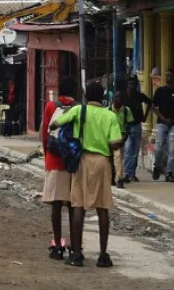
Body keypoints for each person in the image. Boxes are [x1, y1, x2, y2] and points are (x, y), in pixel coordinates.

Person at [51, 81, 122, 268]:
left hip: (81, 159)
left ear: (86, 96)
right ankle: (103, 255)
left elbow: (54, 125)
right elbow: (115, 143)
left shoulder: (78, 111)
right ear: (103, 97)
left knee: (78, 206)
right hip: (102, 162)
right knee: (103, 207)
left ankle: (76, 254)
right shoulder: (110, 115)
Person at [40, 76, 77, 260]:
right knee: (72, 206)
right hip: (71, 162)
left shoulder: (51, 106)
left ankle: (57, 246)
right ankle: (73, 246)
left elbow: (45, 134)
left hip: (54, 160)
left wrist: (46, 155)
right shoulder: (79, 108)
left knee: (56, 206)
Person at [123, 75, 150, 183]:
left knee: (134, 151)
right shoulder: (124, 97)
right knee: (128, 149)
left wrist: (145, 116)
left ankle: (131, 173)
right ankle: (127, 173)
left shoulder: (139, 96)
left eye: (133, 84)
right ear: (127, 85)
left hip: (137, 126)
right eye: (130, 84)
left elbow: (149, 102)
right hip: (127, 127)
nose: (131, 86)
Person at [110, 90, 133, 188]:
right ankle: (114, 177)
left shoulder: (126, 110)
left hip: (121, 137)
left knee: (119, 158)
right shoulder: (108, 111)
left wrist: (124, 138)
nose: (117, 99)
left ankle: (119, 178)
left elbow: (129, 125)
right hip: (110, 137)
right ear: (112, 99)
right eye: (116, 97)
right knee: (112, 159)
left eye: (119, 97)